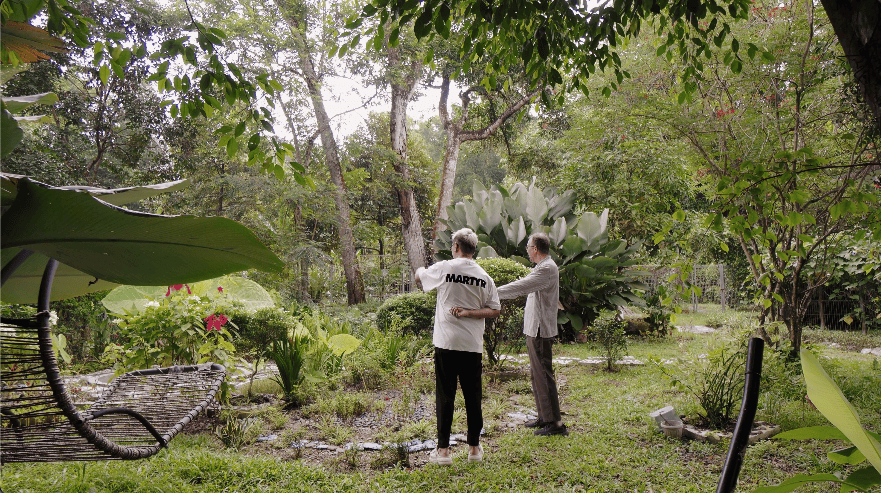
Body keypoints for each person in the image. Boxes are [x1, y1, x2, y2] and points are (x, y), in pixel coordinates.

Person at [415, 228, 501, 465]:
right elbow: (495, 309)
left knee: (445, 395)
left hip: (446, 343)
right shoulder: (484, 276)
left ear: (455, 247)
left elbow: (419, 278)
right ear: (474, 249)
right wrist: (472, 313)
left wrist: (421, 270)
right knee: (473, 396)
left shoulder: (446, 268)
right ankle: (474, 449)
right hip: (472, 346)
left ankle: (443, 452)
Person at [497, 232, 568, 436]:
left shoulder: (546, 268)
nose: (527, 251)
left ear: (535, 249)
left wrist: (493, 292)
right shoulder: (541, 267)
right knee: (537, 375)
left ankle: (555, 424)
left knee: (544, 375)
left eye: (528, 247)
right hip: (534, 328)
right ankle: (543, 417)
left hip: (540, 330)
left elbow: (521, 287)